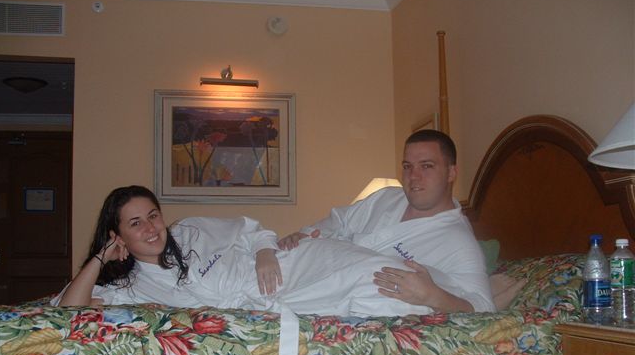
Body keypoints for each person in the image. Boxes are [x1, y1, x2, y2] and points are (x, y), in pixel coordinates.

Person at [52, 185, 442, 318]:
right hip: (272, 301)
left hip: (287, 266)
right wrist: (101, 258)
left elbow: (253, 230)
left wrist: (265, 253)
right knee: (368, 297)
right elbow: (67, 310)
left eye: (153, 216)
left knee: (371, 269)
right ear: (117, 234)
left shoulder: (190, 231)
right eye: (135, 223)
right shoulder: (130, 287)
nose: (151, 228)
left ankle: (447, 296)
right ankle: (439, 304)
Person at [278, 129, 495, 314]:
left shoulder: (458, 242)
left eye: (426, 166)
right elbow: (339, 221)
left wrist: (433, 296)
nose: (413, 176)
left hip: (348, 300)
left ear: (451, 173)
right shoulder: (387, 197)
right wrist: (307, 234)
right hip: (315, 273)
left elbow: (484, 307)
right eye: (407, 166)